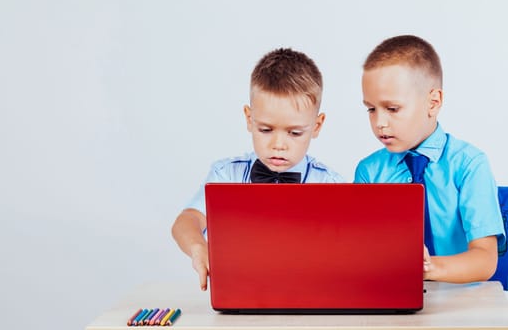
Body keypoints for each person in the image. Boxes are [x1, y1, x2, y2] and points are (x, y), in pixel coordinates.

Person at [172, 48, 344, 290]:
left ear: (316, 126)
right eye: (265, 129)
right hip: (240, 293)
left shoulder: (331, 185)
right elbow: (186, 221)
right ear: (249, 119)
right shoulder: (226, 175)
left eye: (294, 133)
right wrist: (198, 247)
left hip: (310, 294)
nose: (278, 145)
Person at [354, 34, 505, 283]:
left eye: (392, 109)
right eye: (371, 109)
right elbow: (362, 250)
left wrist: (427, 267)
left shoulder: (469, 164)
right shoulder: (369, 172)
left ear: (433, 102)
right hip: (392, 295)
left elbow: (485, 260)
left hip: (461, 302)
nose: (379, 122)